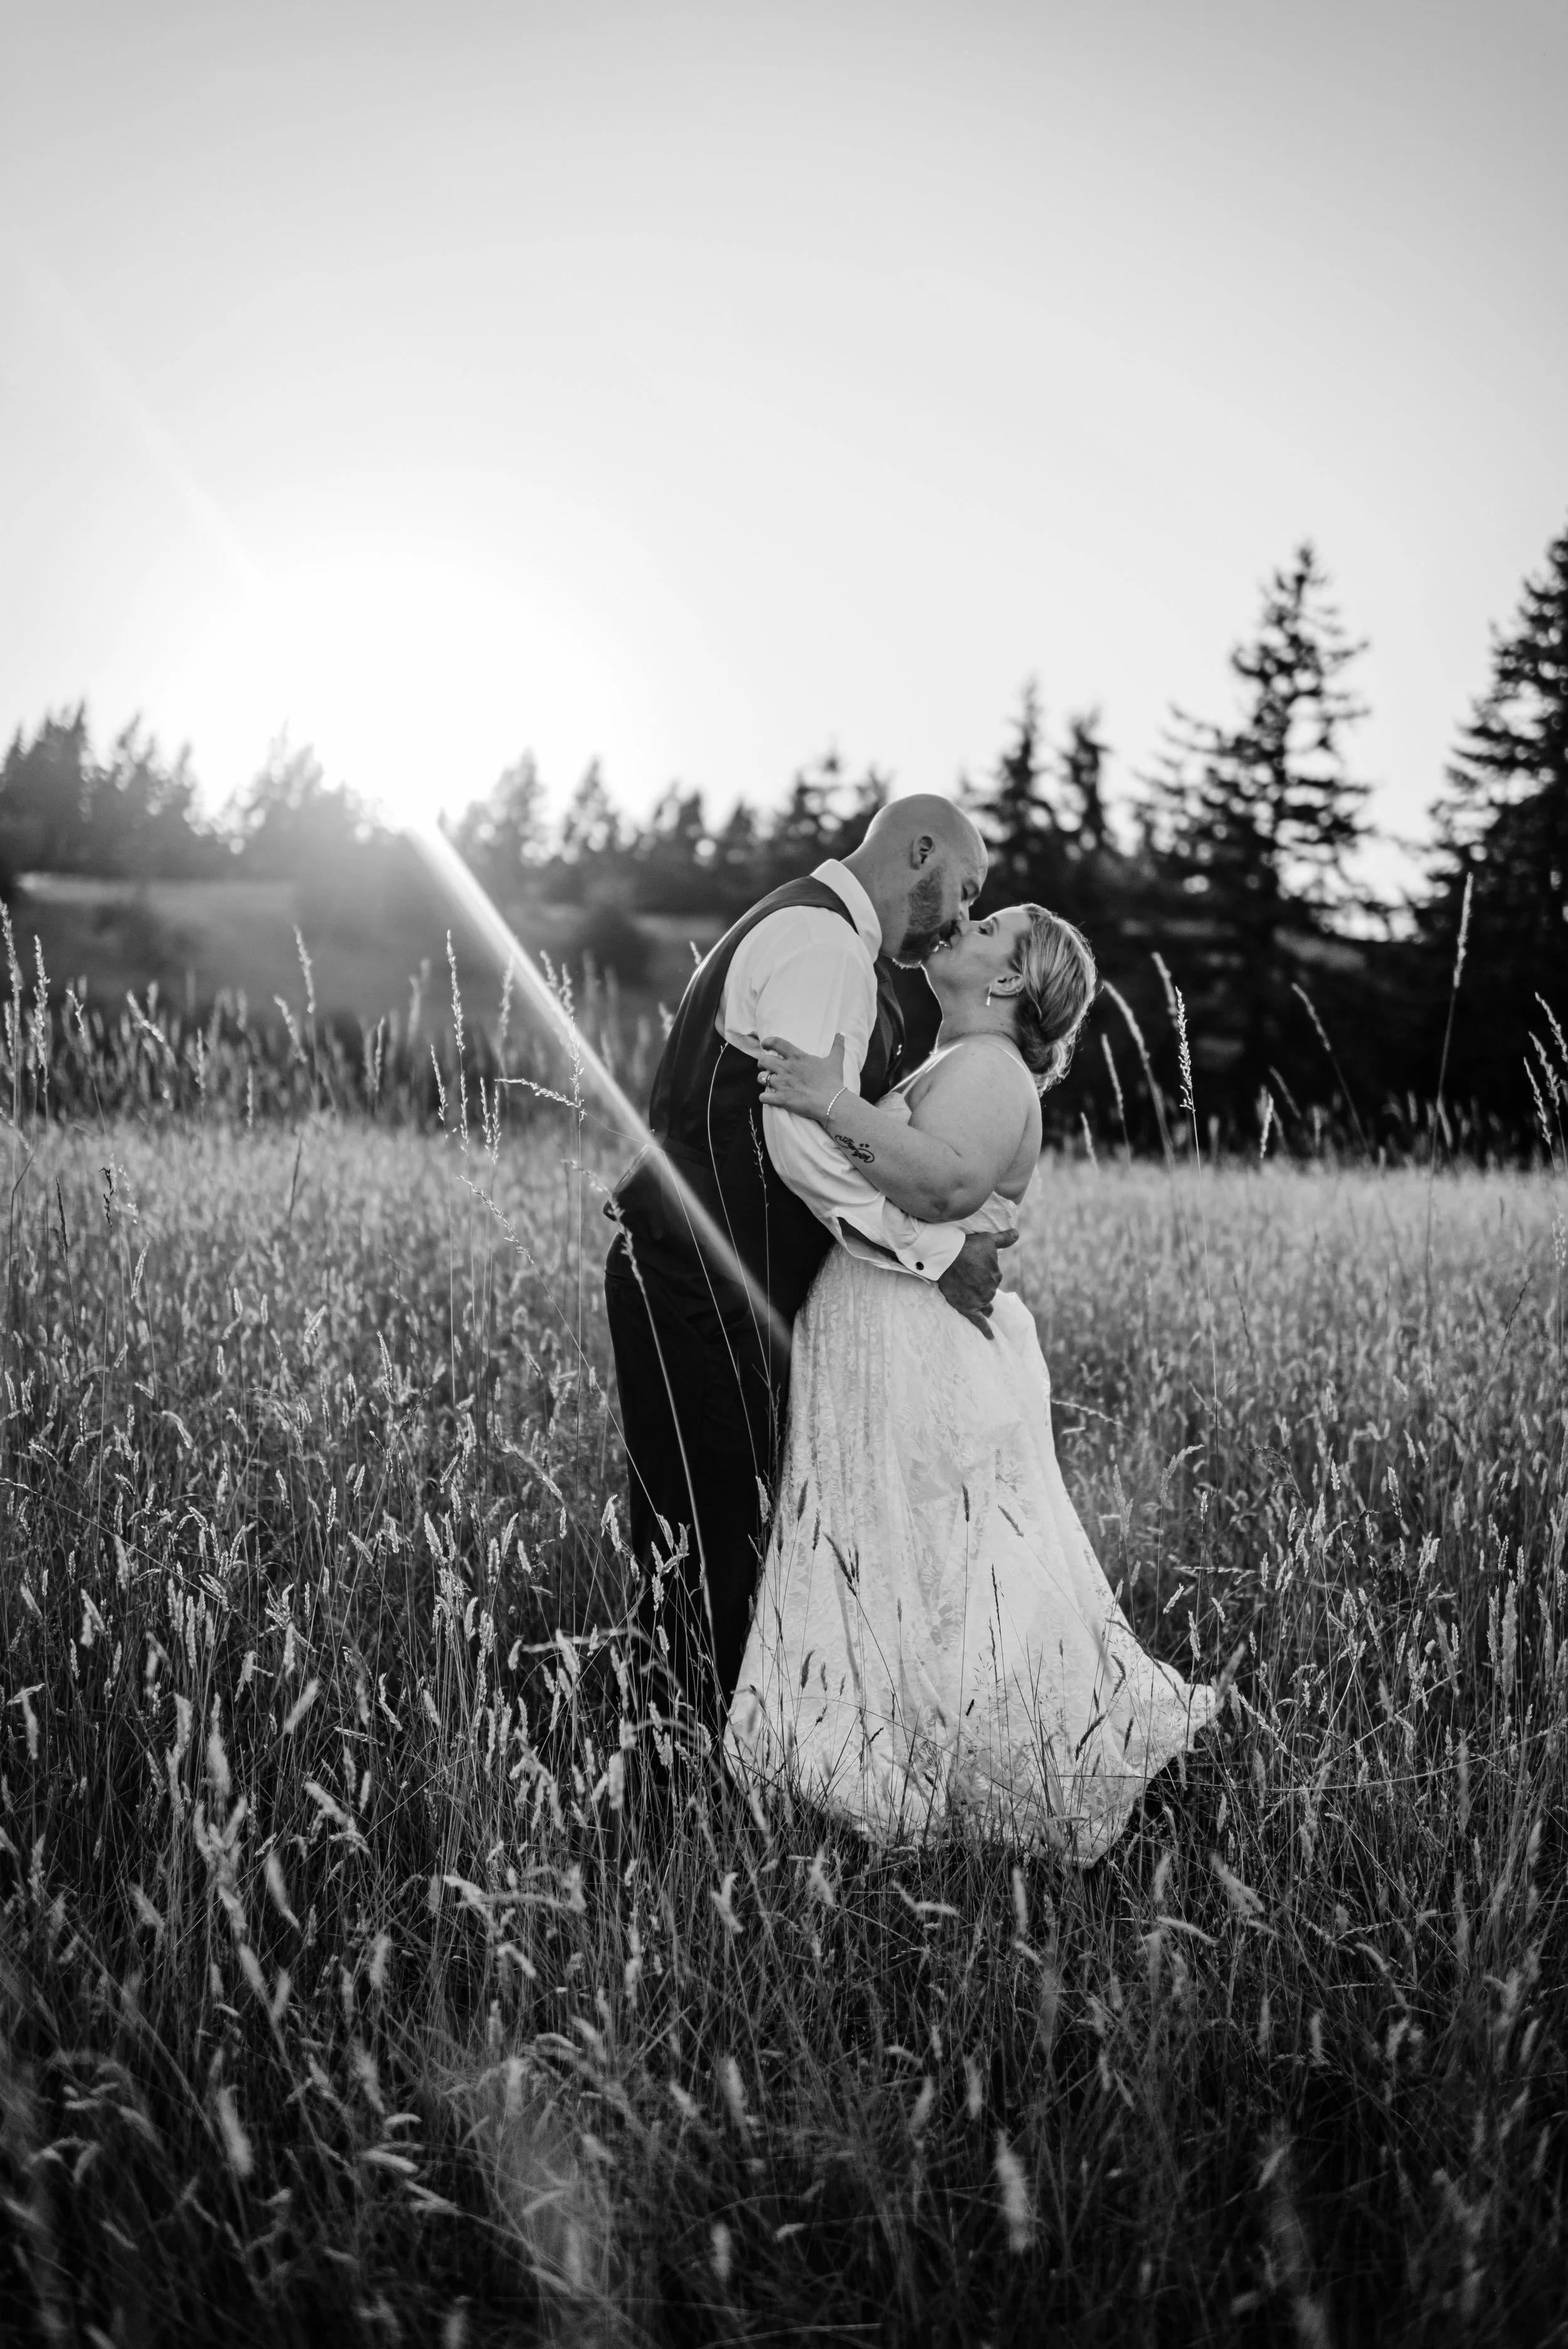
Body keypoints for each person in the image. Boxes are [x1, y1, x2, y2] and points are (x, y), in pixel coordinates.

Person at [726, 903, 1217, 1864]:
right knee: (894, 1545)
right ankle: (876, 1757)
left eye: (989, 927)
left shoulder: (992, 1072)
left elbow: (945, 1188)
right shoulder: (956, 1063)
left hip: (922, 1343)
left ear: (1006, 982)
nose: (959, 924)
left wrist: (833, 1102)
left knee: (940, 1555)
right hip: (890, 1329)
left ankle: (976, 1768)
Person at [603, 795, 1007, 1764]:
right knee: (712, 1546)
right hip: (703, 1284)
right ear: (920, 851)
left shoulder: (801, 924)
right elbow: (804, 1149)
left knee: (688, 1536)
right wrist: (938, 1253)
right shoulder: (827, 949)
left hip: (692, 1274)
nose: (960, 917)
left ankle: (667, 1768)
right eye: (967, 889)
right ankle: (676, 1793)